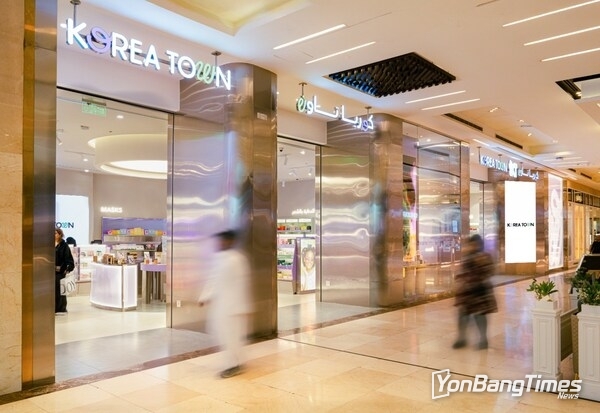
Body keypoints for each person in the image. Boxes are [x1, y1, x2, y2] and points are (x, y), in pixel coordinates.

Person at [198, 230, 252, 378]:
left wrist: (243, 307)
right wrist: (204, 297)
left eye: (223, 241)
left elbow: (243, 284)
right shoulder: (220, 258)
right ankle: (236, 362)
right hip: (222, 306)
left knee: (232, 337)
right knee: (223, 336)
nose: (220, 243)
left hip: (234, 307)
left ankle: (234, 365)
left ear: (231, 241)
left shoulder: (237, 259)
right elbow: (213, 279)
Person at [452, 234, 497, 350]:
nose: (473, 246)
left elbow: (490, 272)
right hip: (467, 291)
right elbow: (462, 272)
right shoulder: (468, 257)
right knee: (463, 314)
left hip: (480, 291)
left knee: (479, 315)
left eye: (475, 244)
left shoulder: (485, 257)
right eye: (471, 244)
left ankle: (483, 340)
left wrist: (477, 276)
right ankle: (462, 338)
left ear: (480, 245)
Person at [55, 228, 75, 315]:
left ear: (60, 235)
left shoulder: (64, 245)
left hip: (60, 271)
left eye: (55, 233)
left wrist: (68, 269)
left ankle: (61, 308)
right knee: (54, 290)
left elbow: (68, 259)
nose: (54, 235)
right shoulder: (50, 244)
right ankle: (54, 307)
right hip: (51, 272)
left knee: (60, 289)